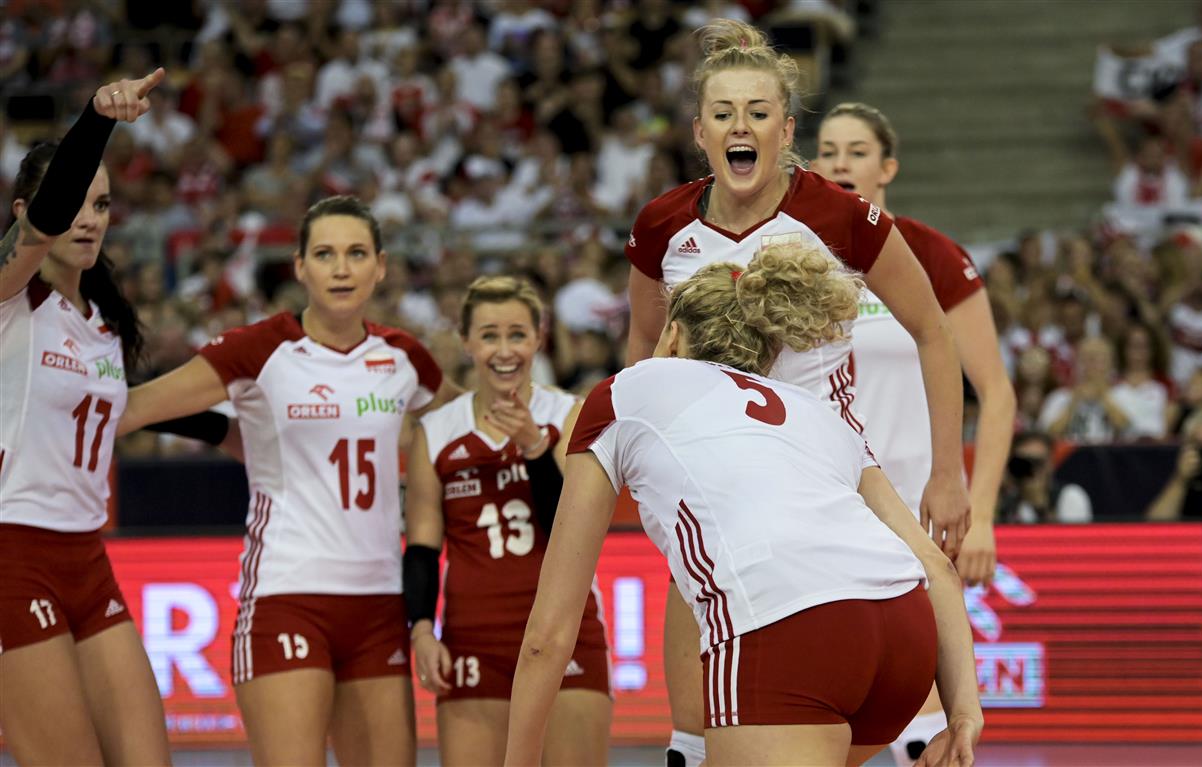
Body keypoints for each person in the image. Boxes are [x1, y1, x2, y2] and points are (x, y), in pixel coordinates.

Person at [622, 21, 970, 764]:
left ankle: (932, 724)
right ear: (699, 132)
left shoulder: (840, 215)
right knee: (697, 620)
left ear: (785, 129)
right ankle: (689, 742)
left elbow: (934, 333)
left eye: (758, 112)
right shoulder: (663, 225)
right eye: (723, 113)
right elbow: (643, 353)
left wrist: (948, 474)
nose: (739, 126)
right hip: (715, 477)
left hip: (825, 476)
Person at [507, 246, 983, 767]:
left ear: (672, 336)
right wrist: (964, 709)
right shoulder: (819, 413)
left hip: (787, 627)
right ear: (768, 354)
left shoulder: (626, 390)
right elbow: (935, 566)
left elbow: (548, 635)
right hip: (905, 639)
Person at [117, 195, 462, 766]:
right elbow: (134, 408)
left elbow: (468, 421)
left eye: (356, 254)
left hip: (379, 604)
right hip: (287, 595)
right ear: (300, 267)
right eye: (325, 254)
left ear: (381, 266)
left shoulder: (405, 357)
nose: (341, 269)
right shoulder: (257, 348)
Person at [810, 101, 1017, 766]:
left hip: (916, 514)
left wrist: (980, 513)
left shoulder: (928, 252)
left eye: (857, 151)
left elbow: (997, 392)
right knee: (829, 711)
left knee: (925, 723)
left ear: (888, 167)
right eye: (828, 151)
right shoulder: (793, 260)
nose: (840, 163)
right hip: (824, 511)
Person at [0, 69, 172, 766]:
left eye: (101, 203)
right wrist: (98, 118)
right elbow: (44, 224)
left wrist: (225, 427)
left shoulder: (103, 324)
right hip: (13, 554)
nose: (89, 217)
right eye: (75, 200)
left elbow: (126, 412)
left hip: (88, 558)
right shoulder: (11, 296)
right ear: (23, 211)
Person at [403, 276, 612, 766]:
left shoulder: (569, 415)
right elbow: (422, 547)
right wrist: (420, 630)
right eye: (489, 335)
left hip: (563, 630)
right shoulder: (437, 431)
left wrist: (535, 448)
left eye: (517, 334)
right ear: (467, 342)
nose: (504, 350)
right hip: (474, 638)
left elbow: (574, 530)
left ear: (539, 339)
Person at [996, 432, 1093, 524]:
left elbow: (1071, 535)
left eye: (1037, 463)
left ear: (1050, 464)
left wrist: (1040, 507)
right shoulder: (1008, 497)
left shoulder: (1070, 496)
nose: (1030, 469)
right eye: (1022, 463)